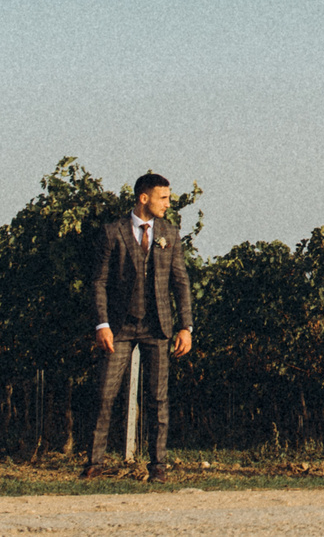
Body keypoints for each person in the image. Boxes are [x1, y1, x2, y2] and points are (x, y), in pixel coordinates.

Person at [84, 172, 193, 481]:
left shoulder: (169, 233)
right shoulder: (111, 232)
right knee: (105, 394)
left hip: (158, 327)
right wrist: (102, 323)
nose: (168, 204)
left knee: (158, 398)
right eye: (164, 198)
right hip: (118, 327)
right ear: (144, 198)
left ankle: (158, 466)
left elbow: (181, 282)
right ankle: (94, 463)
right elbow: (99, 282)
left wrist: (186, 327)